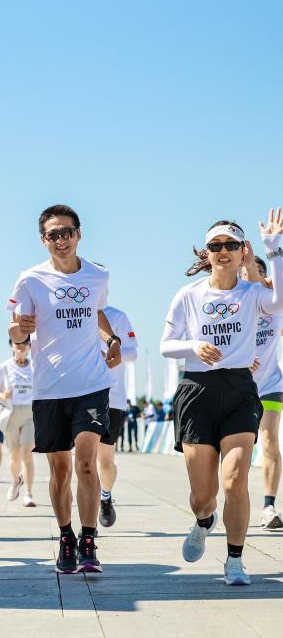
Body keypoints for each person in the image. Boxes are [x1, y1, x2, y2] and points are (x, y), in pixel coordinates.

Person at [161, 213, 283, 586]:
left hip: (240, 390)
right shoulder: (189, 295)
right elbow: (166, 345)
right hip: (197, 390)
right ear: (207, 253)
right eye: (216, 246)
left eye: (231, 245)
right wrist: (194, 346)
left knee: (234, 481)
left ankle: (235, 560)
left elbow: (279, 300)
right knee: (203, 496)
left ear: (242, 251)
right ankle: (203, 521)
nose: (223, 251)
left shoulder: (252, 293)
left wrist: (273, 250)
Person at [7, 204, 122, 575]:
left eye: (66, 232)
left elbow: (96, 312)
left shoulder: (98, 275)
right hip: (49, 389)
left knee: (86, 462)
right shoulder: (30, 280)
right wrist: (19, 330)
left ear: (78, 234)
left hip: (91, 384)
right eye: (53, 234)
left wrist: (112, 339)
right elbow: (16, 331)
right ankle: (65, 538)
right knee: (59, 471)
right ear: (43, 240)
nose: (60, 240)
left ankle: (88, 541)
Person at [242, 255, 283, 530]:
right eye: (247, 271)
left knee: (270, 441)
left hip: (270, 385)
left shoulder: (275, 305)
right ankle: (236, 501)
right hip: (240, 386)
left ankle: (269, 507)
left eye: (258, 271)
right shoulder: (235, 305)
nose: (252, 275)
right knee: (241, 449)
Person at [96, 304, 138, 527]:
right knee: (84, 461)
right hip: (80, 394)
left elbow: (133, 353)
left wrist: (112, 351)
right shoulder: (73, 311)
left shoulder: (118, 317)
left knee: (105, 462)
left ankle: (105, 496)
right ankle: (87, 521)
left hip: (112, 398)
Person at [0, 339, 36, 507]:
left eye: (24, 342)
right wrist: (1, 395)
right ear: (11, 346)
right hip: (11, 414)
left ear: (29, 346)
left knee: (27, 454)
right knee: (14, 457)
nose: (20, 346)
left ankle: (28, 493)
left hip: (30, 414)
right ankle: (16, 481)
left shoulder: (35, 366)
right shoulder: (5, 367)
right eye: (17, 343)